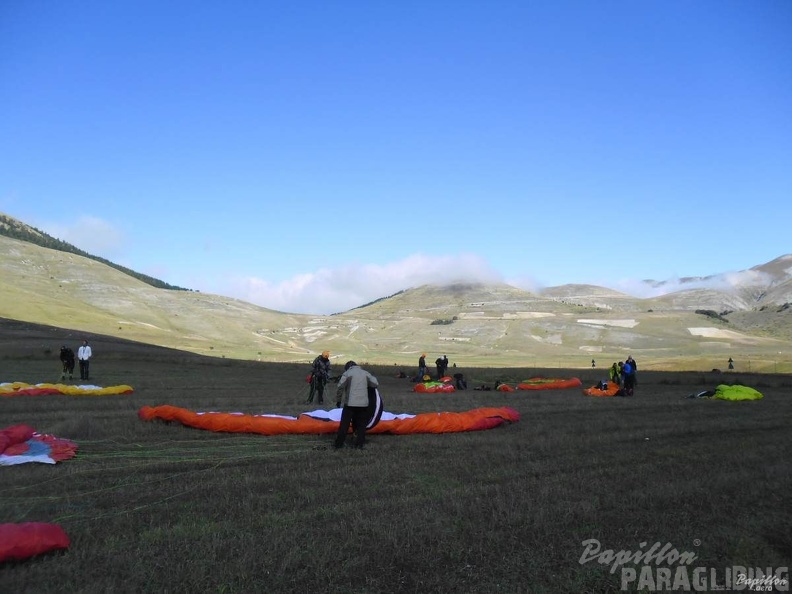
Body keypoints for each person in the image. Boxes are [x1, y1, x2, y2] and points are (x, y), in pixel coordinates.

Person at [334, 361, 378, 449]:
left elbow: (340, 387)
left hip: (350, 405)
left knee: (344, 425)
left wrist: (338, 400)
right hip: (363, 405)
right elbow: (375, 383)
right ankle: (359, 444)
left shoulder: (347, 373)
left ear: (348, 367)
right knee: (361, 426)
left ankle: (339, 444)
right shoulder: (365, 373)